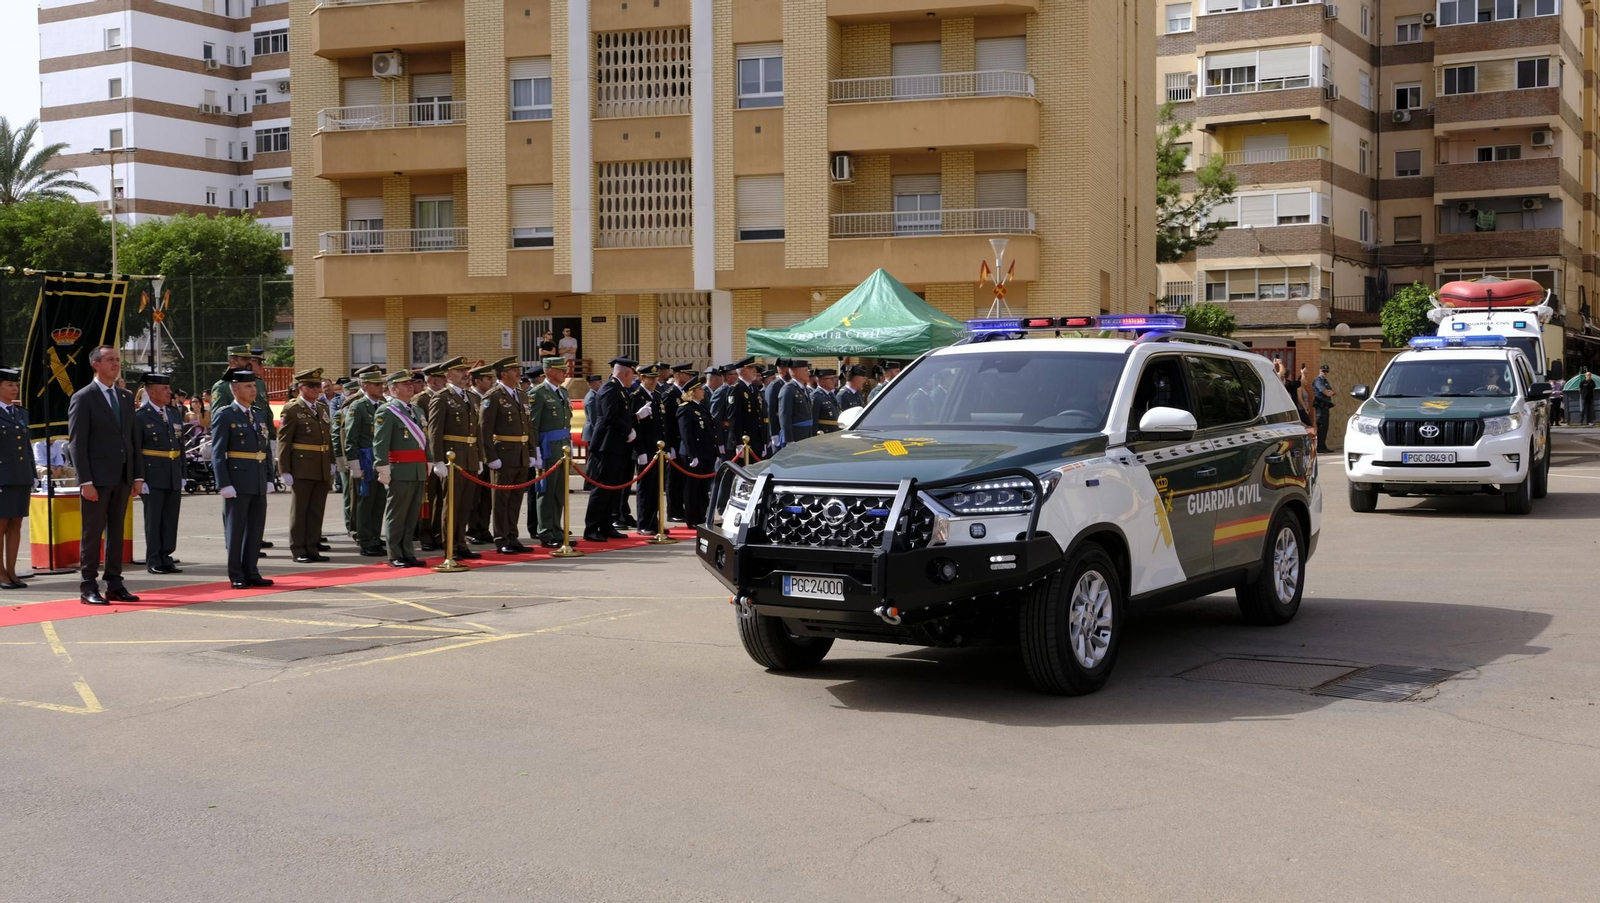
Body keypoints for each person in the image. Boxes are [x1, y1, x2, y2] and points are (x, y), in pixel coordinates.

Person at [68, 345, 145, 606]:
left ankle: (114, 582)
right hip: (97, 479)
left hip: (123, 476)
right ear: (95, 364)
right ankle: (88, 585)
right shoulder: (84, 397)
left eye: (117, 359)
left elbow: (133, 439)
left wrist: (137, 476)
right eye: (109, 360)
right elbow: (77, 443)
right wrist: (85, 481)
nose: (116, 363)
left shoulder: (124, 396)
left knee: (117, 532)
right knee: (92, 533)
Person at [209, 368, 275, 589]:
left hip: (256, 478)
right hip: (237, 480)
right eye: (248, 386)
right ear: (235, 390)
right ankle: (236, 573)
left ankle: (252, 571)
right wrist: (223, 483)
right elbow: (218, 453)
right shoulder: (225, 415)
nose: (253, 390)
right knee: (236, 530)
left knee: (256, 529)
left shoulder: (259, 413)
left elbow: (265, 449)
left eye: (254, 386)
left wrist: (269, 477)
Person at [426, 357, 483, 559]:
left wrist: (480, 457)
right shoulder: (441, 398)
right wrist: (438, 460)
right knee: (451, 503)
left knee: (466, 503)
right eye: (460, 372)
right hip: (452, 458)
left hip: (469, 456)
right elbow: (434, 432)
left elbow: (478, 431)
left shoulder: (472, 398)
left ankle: (461, 542)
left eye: (466, 371)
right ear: (449, 376)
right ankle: (450, 544)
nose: (465, 375)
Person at [276, 368, 335, 564]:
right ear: (300, 387)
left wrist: (332, 461)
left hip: (321, 464)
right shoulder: (292, 409)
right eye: (312, 385)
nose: (316, 389)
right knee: (300, 510)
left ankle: (312, 547)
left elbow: (328, 437)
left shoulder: (322, 408)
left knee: (317, 509)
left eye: (318, 385)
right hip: (301, 466)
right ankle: (298, 549)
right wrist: (284, 470)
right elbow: (284, 441)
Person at [373, 370, 429, 568]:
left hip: (417, 469)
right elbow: (380, 443)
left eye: (410, 383)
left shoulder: (417, 411)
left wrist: (429, 462)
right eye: (404, 384)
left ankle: (407, 552)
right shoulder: (386, 411)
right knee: (396, 514)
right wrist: (383, 468)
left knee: (411, 514)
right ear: (393, 388)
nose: (410, 386)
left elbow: (425, 441)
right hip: (399, 468)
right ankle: (395, 553)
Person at [480, 356, 534, 555]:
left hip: (520, 454)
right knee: (501, 499)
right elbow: (484, 429)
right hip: (503, 453)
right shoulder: (493, 396)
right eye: (514, 370)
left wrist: (531, 450)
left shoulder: (521, 395)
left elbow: (528, 425)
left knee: (516, 498)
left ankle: (512, 536)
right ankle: (501, 538)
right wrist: (490, 456)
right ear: (503, 374)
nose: (518, 373)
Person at [134, 372, 185, 575]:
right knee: (153, 519)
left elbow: (179, 445)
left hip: (172, 472)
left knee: (170, 518)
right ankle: (154, 558)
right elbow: (135, 450)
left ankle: (166, 556)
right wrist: (140, 477)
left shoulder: (173, 413)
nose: (169, 392)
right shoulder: (140, 417)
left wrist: (182, 473)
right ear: (152, 391)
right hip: (152, 475)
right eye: (165, 389)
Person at [584, 357, 639, 543]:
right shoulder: (610, 387)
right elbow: (609, 416)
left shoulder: (619, 388)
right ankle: (591, 528)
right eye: (632, 374)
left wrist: (634, 419)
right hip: (607, 445)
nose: (633, 379)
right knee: (602, 488)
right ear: (626, 373)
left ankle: (606, 526)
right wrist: (628, 429)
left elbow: (620, 414)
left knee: (613, 489)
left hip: (617, 444)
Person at [528, 357, 575, 548]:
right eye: (561, 370)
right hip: (547, 448)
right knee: (545, 491)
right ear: (550, 372)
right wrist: (535, 451)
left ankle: (556, 528)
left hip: (562, 447)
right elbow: (532, 425)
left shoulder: (562, 391)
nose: (565, 373)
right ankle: (546, 531)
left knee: (559, 491)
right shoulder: (538, 393)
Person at [343, 370, 388, 557]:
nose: (381, 387)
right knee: (365, 502)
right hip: (365, 460)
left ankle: (375, 537)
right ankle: (365, 539)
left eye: (381, 384)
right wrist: (354, 465)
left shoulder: (384, 405)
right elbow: (350, 438)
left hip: (380, 460)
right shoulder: (358, 407)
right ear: (365, 386)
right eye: (377, 385)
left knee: (379, 501)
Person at [0, 367, 31, 589]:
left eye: (15, 384)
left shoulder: (21, 413)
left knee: (16, 523)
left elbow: (26, 446)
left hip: (20, 475)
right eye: (9, 385)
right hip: (3, 476)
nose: (14, 388)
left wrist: (32, 472)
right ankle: (1, 573)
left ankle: (11, 571)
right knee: (1, 525)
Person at [676, 378, 716, 528]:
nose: (703, 391)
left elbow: (710, 432)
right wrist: (693, 455)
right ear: (692, 392)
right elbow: (686, 434)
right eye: (700, 389)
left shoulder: (702, 407)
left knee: (703, 489)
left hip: (706, 454)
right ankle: (691, 519)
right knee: (692, 488)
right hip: (694, 455)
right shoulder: (685, 409)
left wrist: (715, 451)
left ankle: (701, 516)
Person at [465, 363, 497, 543]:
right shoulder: (469, 398)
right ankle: (472, 530)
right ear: (477, 381)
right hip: (473, 452)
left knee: (486, 494)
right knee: (473, 495)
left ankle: (483, 527)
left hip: (488, 452)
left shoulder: (489, 397)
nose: (491, 381)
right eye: (487, 378)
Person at [662, 363, 692, 522]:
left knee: (682, 480)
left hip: (682, 443)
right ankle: (673, 511)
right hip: (674, 443)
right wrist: (669, 446)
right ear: (679, 375)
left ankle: (680, 510)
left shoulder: (684, 393)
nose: (690, 378)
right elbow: (667, 423)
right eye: (688, 375)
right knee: (674, 480)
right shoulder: (670, 394)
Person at [725, 357, 766, 462]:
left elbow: (759, 416)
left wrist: (763, 440)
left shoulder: (753, 388)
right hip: (744, 442)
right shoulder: (736, 389)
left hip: (755, 442)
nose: (755, 371)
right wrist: (738, 443)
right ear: (743, 371)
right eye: (752, 368)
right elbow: (734, 418)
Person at [777, 360, 815, 450]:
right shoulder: (788, 389)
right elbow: (785, 416)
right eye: (805, 370)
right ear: (795, 372)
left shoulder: (803, 388)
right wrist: (789, 440)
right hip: (796, 435)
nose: (808, 372)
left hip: (806, 434)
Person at [1312, 363, 1335, 453]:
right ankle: (1320, 447)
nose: (1325, 373)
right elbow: (1326, 393)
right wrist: (1329, 392)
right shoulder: (1318, 381)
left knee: (1325, 427)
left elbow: (1332, 391)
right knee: (1321, 427)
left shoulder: (1325, 381)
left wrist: (1329, 392)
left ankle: (1323, 445)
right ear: (1319, 371)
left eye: (1326, 371)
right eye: (1323, 371)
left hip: (1325, 406)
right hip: (1320, 407)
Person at [812, 368, 842, 433]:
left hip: (834, 431)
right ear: (823, 382)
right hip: (824, 433)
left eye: (834, 378)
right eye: (831, 379)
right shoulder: (815, 397)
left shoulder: (831, 395)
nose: (834, 381)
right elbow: (814, 420)